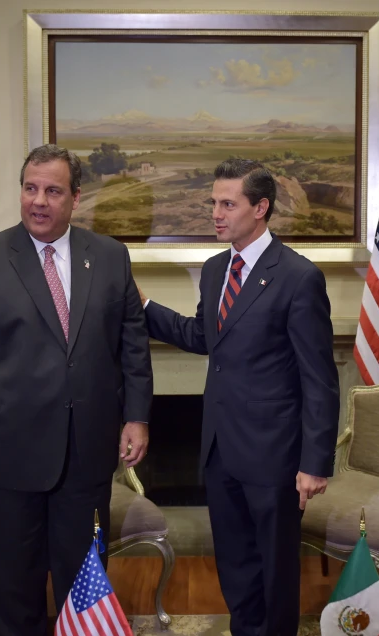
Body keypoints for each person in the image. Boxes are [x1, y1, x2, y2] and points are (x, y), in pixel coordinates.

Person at [0, 144, 153, 636]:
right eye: (30, 188)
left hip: (87, 457)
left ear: (75, 198)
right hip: (6, 459)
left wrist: (136, 416)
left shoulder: (111, 257)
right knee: (14, 589)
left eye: (53, 191)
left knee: (84, 590)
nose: (38, 200)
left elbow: (132, 347)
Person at [139, 158, 340, 636]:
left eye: (228, 204)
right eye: (214, 203)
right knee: (235, 566)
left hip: (274, 455)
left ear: (261, 208)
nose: (216, 213)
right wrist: (143, 307)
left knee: (274, 571)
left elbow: (320, 380)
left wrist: (315, 463)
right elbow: (206, 336)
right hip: (219, 450)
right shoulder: (214, 270)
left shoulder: (298, 277)